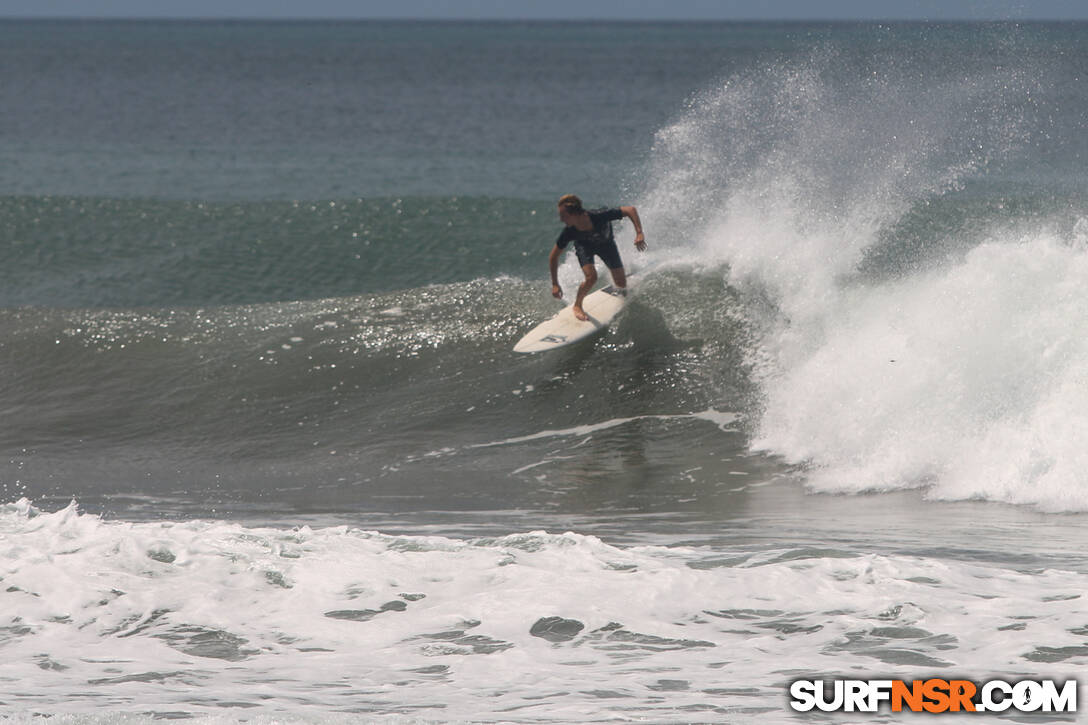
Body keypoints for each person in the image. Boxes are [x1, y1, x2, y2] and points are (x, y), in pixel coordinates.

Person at [549, 194, 646, 321]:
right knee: (591, 277)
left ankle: (623, 278)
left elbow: (630, 210)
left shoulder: (599, 215)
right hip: (585, 247)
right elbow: (553, 257)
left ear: (574, 214)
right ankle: (577, 305)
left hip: (607, 245)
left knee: (621, 284)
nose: (561, 219)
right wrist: (555, 284)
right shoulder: (569, 232)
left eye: (563, 216)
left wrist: (639, 233)